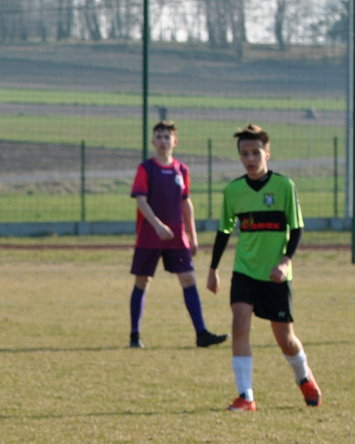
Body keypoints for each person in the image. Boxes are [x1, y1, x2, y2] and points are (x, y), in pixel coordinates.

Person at [207, 124, 319, 412]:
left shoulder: (284, 186)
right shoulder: (233, 190)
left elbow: (297, 228)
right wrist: (213, 269)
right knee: (239, 323)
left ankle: (304, 376)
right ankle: (246, 396)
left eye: (256, 152)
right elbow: (224, 231)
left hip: (275, 275)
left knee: (286, 340)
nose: (250, 158)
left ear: (267, 154)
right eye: (245, 153)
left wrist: (285, 261)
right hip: (245, 270)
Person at [128, 120, 226, 350]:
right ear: (153, 141)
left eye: (167, 137)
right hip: (149, 236)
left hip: (176, 238)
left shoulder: (182, 170)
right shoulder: (146, 169)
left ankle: (201, 333)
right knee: (142, 281)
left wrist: (193, 236)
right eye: (159, 137)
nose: (163, 141)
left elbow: (186, 203)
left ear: (175, 141)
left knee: (189, 279)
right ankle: (134, 335)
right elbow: (141, 201)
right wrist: (157, 225)